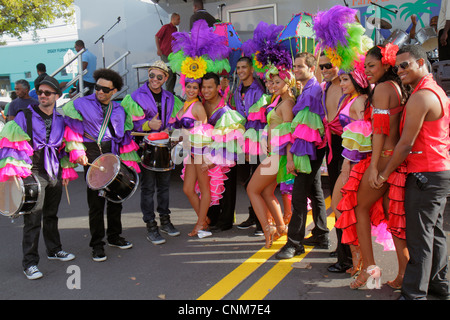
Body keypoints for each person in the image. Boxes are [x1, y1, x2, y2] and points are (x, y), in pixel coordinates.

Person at [376, 44, 450, 300]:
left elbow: (406, 144)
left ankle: (413, 294)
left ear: (421, 63)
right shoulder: (432, 90)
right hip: (436, 173)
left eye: (405, 64)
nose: (400, 70)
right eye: (397, 66)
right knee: (434, 233)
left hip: (425, 174)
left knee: (419, 239)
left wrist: (384, 173)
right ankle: (439, 286)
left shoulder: (422, 96)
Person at [337, 44, 410, 290]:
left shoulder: (381, 89)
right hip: (397, 161)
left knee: (358, 207)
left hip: (383, 160)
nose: (367, 70)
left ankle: (370, 270)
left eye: (372, 65)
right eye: (365, 66)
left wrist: (374, 168)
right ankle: (403, 276)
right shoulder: (398, 87)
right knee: (395, 220)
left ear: (386, 64)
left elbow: (379, 132)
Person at [0, 75, 77, 279]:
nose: (42, 95)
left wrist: (65, 171)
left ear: (57, 96)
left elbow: (63, 147)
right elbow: (11, 144)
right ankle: (30, 263)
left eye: (47, 93)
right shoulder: (24, 115)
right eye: (40, 92)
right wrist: (19, 175)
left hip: (54, 171)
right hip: (32, 172)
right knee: (33, 219)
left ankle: (54, 250)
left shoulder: (61, 119)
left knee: (51, 214)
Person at [63, 69, 138, 261]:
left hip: (113, 154)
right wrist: (78, 151)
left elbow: (124, 135)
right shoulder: (80, 104)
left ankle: (114, 236)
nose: (100, 92)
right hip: (93, 155)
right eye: (97, 87)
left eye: (105, 89)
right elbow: (72, 128)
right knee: (96, 203)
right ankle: (97, 244)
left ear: (114, 91)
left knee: (116, 198)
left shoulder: (120, 109)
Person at [121, 60, 181, 245]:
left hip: (165, 147)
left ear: (165, 78)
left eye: (159, 76)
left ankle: (165, 220)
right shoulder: (135, 96)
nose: (155, 79)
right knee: (148, 188)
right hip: (145, 147)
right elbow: (129, 124)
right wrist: (148, 125)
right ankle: (150, 225)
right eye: (152, 75)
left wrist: (173, 132)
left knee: (164, 186)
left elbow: (174, 121)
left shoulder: (171, 98)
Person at [247, 64, 295, 248]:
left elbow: (289, 134)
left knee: (252, 189)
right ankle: (281, 227)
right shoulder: (280, 101)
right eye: (271, 81)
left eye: (278, 81)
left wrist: (289, 159)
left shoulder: (287, 103)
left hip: (279, 156)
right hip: (275, 153)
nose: (273, 85)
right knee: (266, 192)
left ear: (288, 81)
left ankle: (268, 228)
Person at [332, 59, 371, 277]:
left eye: (345, 79)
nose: (342, 83)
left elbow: (362, 139)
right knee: (342, 208)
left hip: (355, 162)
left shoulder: (360, 102)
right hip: (350, 160)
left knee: (342, 207)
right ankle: (357, 255)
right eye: (341, 80)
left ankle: (359, 256)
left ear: (357, 79)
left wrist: (348, 164)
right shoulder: (353, 99)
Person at [201, 72, 246, 232]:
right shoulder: (202, 104)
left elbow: (231, 138)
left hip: (226, 152)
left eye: (210, 87)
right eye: (204, 87)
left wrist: (217, 158)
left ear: (218, 88)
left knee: (226, 186)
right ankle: (212, 216)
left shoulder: (225, 110)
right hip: (207, 151)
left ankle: (226, 220)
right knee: (210, 185)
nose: (206, 90)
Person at [233, 56, 265, 233]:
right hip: (242, 137)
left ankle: (262, 222)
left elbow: (258, 117)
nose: (240, 71)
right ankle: (253, 215)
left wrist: (249, 142)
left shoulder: (258, 88)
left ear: (252, 69)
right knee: (245, 180)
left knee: (257, 182)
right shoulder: (238, 89)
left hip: (257, 138)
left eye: (244, 67)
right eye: (238, 68)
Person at [155, 13, 180, 94]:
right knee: (169, 73)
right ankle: (168, 92)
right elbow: (156, 36)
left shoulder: (175, 29)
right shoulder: (165, 27)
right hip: (165, 54)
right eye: (178, 19)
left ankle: (171, 91)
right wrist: (158, 49)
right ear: (173, 19)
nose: (179, 21)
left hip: (172, 55)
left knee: (173, 74)